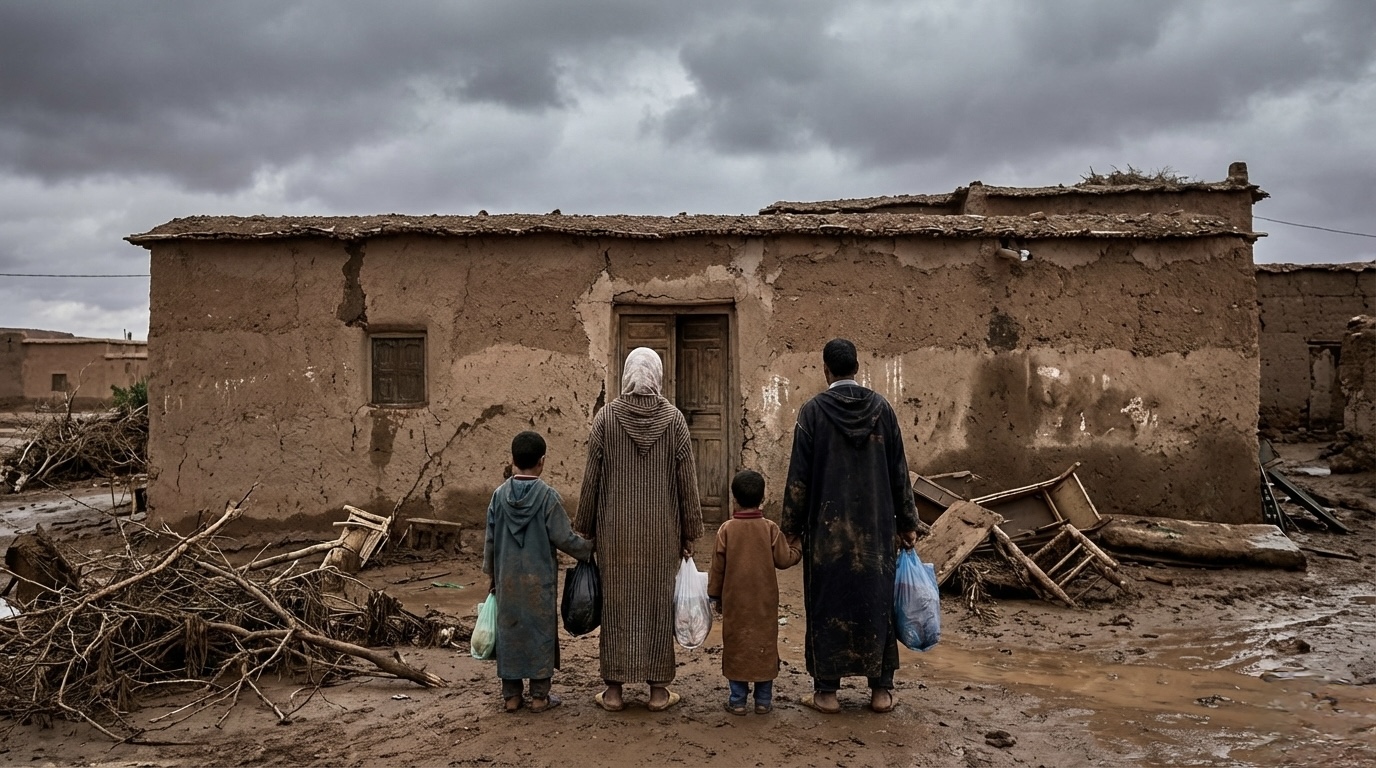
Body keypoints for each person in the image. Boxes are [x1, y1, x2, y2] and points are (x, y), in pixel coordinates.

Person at [781, 338, 920, 714]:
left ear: (826, 370)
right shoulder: (883, 411)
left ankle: (826, 691)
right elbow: (899, 473)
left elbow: (799, 479)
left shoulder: (812, 413)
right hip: (875, 532)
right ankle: (881, 690)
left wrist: (790, 529)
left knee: (827, 604)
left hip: (828, 536)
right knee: (878, 604)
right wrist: (908, 523)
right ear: (856, 368)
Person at [575, 347, 704, 712]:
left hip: (614, 534)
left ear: (628, 374)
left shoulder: (605, 419)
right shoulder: (675, 420)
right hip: (661, 534)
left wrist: (584, 528)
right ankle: (659, 691)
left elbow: (591, 481)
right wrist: (690, 531)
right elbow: (687, 482)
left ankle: (614, 691)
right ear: (657, 376)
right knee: (657, 606)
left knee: (617, 607)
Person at [482, 430, 594, 714]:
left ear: (512, 460)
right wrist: (590, 549)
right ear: (542, 462)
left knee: (509, 632)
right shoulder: (548, 497)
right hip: (539, 581)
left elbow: (490, 542)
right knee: (540, 632)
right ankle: (540, 697)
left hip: (506, 581)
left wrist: (492, 577)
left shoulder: (498, 496)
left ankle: (511, 696)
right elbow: (564, 538)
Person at [707, 469, 802, 716]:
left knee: (737, 645)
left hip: (735, 604)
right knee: (764, 645)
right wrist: (797, 546)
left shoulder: (726, 530)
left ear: (734, 499)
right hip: (765, 604)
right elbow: (784, 560)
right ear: (763, 498)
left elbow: (717, 569)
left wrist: (715, 596)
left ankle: (737, 701)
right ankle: (763, 701)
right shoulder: (770, 529)